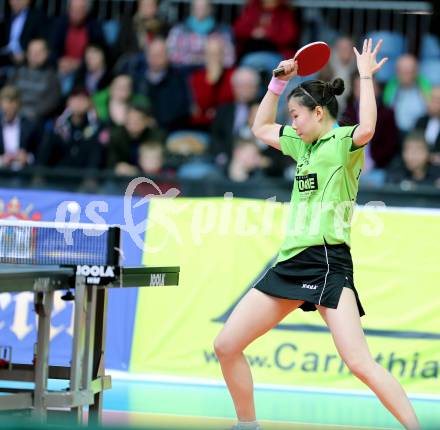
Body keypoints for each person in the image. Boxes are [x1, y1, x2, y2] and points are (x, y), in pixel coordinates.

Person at [214, 39, 421, 430]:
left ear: (319, 113)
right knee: (225, 346)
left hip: (326, 261)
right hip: (291, 263)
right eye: (289, 116)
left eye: (295, 115)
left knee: (359, 362)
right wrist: (276, 85)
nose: (291, 122)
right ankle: (247, 425)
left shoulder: (342, 143)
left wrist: (364, 75)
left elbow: (370, 127)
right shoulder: (301, 146)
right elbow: (259, 126)